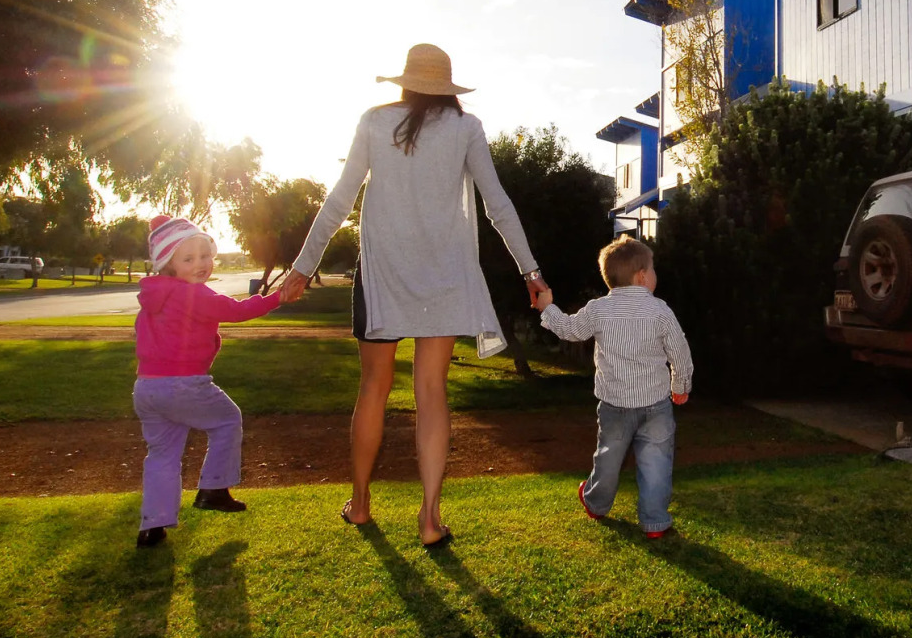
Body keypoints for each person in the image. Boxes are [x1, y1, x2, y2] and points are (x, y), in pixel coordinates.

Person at [282, 43, 546, 546]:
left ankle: (359, 505)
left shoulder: (374, 122)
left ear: (404, 82)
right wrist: (530, 270)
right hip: (443, 275)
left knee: (373, 391)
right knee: (431, 393)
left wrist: (303, 265)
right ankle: (428, 520)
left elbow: (340, 197)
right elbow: (498, 204)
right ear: (446, 87)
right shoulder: (466, 127)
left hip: (383, 273)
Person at [133, 215, 282, 548]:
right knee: (228, 420)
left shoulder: (153, 298)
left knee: (162, 454)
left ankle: (152, 524)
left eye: (205, 255)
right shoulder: (191, 295)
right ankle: (214, 487)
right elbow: (237, 311)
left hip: (147, 388)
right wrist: (279, 297)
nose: (201, 264)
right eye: (189, 258)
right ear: (168, 264)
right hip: (184, 383)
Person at [533, 236, 693, 539]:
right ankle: (656, 522)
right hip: (656, 404)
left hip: (615, 405)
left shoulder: (599, 309)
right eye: (653, 269)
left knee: (608, 457)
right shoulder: (660, 311)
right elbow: (679, 351)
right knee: (657, 463)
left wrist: (548, 308)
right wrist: (680, 385)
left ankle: (596, 503)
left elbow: (569, 329)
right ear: (643, 276)